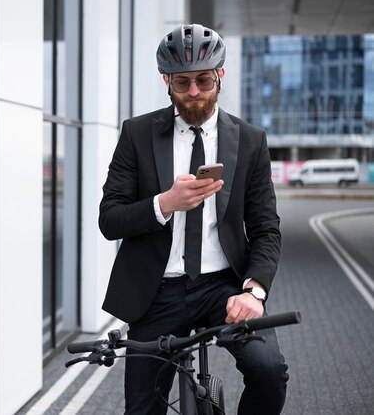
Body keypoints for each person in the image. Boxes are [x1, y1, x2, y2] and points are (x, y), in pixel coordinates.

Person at [99, 24, 288, 414]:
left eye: (203, 79)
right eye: (182, 83)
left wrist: (254, 292)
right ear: (166, 81)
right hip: (156, 293)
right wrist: (164, 203)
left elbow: (266, 227)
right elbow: (110, 219)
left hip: (224, 288)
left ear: (220, 74)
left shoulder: (250, 140)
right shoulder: (136, 134)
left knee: (270, 372)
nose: (194, 92)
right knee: (141, 410)